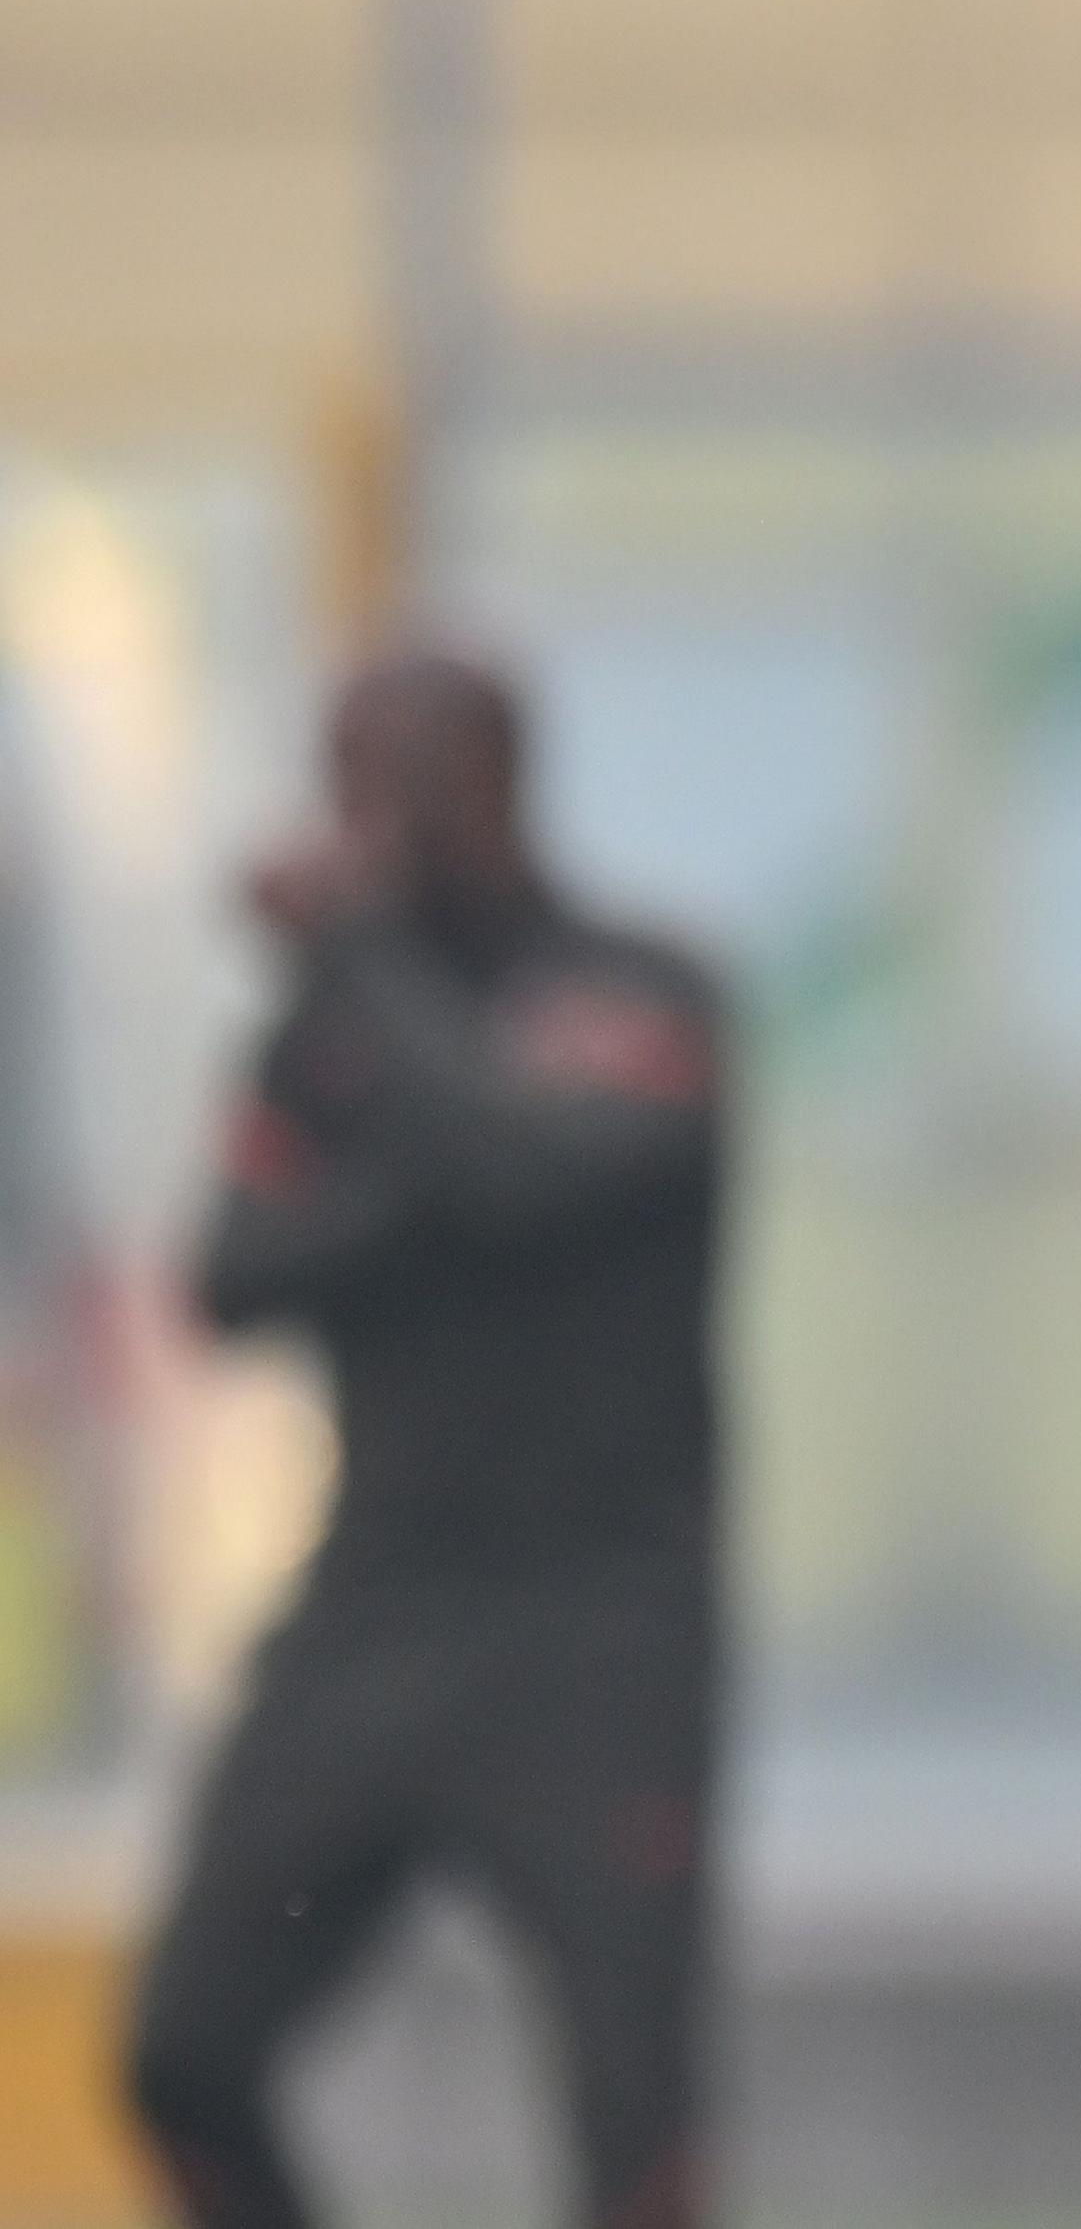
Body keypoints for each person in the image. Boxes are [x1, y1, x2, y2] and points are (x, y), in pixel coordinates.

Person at [129, 655, 727, 2229]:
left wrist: (379, 1026)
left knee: (633, 2127)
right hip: (373, 1615)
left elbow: (527, 1164)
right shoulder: (339, 1019)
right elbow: (229, 1274)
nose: (369, 826)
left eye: (401, 783)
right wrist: (447, 1177)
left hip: (602, 1630)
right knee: (182, 2056)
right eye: (348, 786)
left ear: (503, 776)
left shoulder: (646, 988)